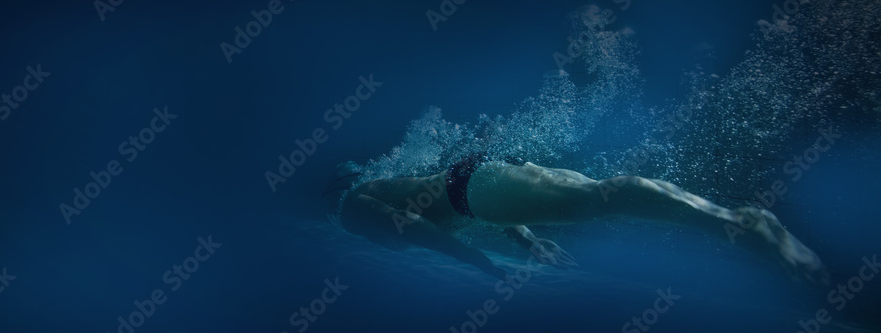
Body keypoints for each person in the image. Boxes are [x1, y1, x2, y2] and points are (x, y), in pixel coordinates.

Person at [322, 153, 830, 287]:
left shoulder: (353, 208)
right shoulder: (376, 186)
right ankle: (734, 220)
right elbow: (450, 202)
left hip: (474, 188)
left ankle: (742, 222)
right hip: (479, 183)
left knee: (607, 197)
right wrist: (527, 242)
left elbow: (423, 230)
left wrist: (481, 263)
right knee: (596, 196)